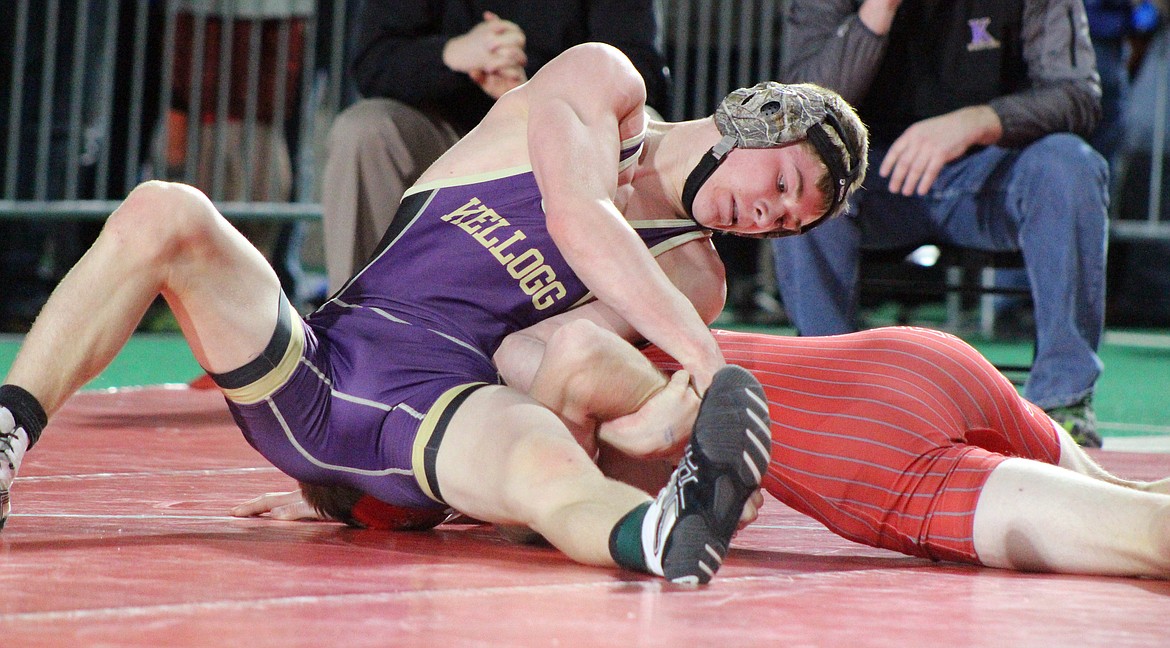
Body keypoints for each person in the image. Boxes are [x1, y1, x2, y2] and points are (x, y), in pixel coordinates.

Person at [0, 43, 866, 584]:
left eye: (790, 222)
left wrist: (643, 422)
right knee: (166, 208)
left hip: (437, 424)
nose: (768, 217)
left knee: (544, 463)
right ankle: (7, 432)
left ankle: (655, 533)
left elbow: (543, 357)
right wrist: (699, 358)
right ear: (752, 117)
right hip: (315, 366)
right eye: (782, 186)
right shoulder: (602, 83)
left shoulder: (694, 278)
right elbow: (578, 213)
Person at [770, 0, 1110, 447]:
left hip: (988, 177)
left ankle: (1063, 398)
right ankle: (833, 390)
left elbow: (1077, 94)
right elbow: (801, 111)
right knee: (797, 171)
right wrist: (877, 13)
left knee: (1070, 165)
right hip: (868, 183)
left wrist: (979, 122)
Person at [321, 0, 671, 293]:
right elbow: (373, 61)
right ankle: (355, 329)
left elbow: (642, 75)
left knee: (643, 129)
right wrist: (453, 54)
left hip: (565, 139)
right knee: (365, 129)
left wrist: (537, 89)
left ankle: (616, 331)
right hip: (446, 136)